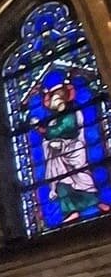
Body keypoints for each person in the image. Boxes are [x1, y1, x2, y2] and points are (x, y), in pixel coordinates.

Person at [37, 78, 107, 224]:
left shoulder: (71, 111)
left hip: (74, 150)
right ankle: (71, 211)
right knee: (62, 183)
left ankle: (96, 203)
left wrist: (46, 131)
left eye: (58, 96)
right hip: (58, 156)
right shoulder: (53, 118)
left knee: (81, 179)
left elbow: (67, 127)